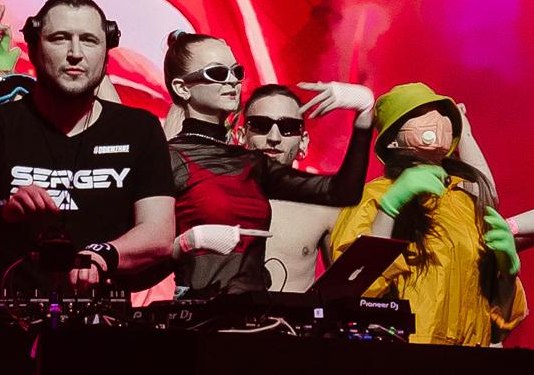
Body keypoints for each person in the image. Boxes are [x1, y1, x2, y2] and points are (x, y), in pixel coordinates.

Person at [0, 0, 179, 304]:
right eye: (60, 39)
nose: (75, 53)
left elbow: (159, 233)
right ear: (34, 48)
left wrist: (102, 255)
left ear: (106, 53)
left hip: (103, 322)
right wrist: (1, 214)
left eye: (89, 40)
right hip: (5, 323)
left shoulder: (139, 129)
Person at [321, 85, 534, 348]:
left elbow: (499, 325)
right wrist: (390, 208)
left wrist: (507, 275)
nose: (435, 118)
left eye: (441, 111)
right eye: (418, 113)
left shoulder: (466, 202)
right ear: (392, 139)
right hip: (407, 361)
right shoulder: (372, 198)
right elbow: (351, 294)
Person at [158, 42, 373, 301]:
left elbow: (342, 193)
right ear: (182, 88)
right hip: (198, 316)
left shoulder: (252, 163)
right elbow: (136, 269)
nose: (232, 81)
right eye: (217, 73)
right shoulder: (166, 158)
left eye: (236, 72)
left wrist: (364, 115)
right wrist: (183, 245)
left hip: (256, 316)